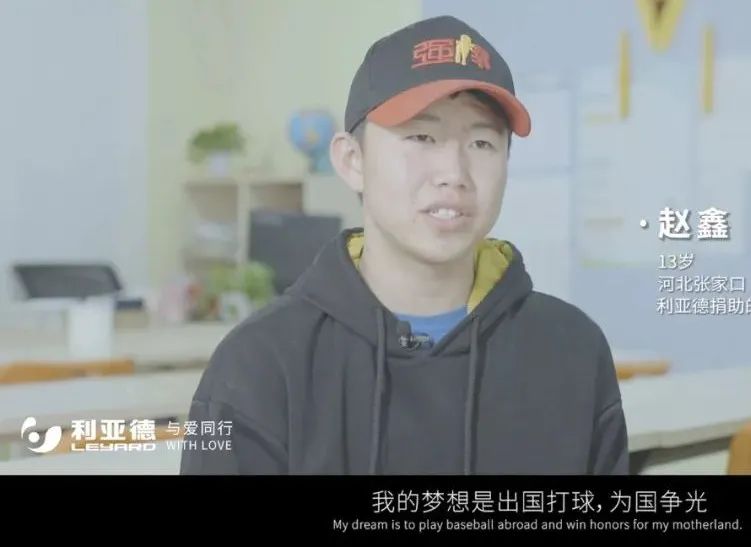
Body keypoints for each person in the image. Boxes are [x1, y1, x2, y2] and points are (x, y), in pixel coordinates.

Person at [179, 15, 629, 474]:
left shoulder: (572, 351)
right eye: (421, 136)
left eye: (481, 143)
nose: (454, 173)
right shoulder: (261, 363)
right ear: (352, 161)